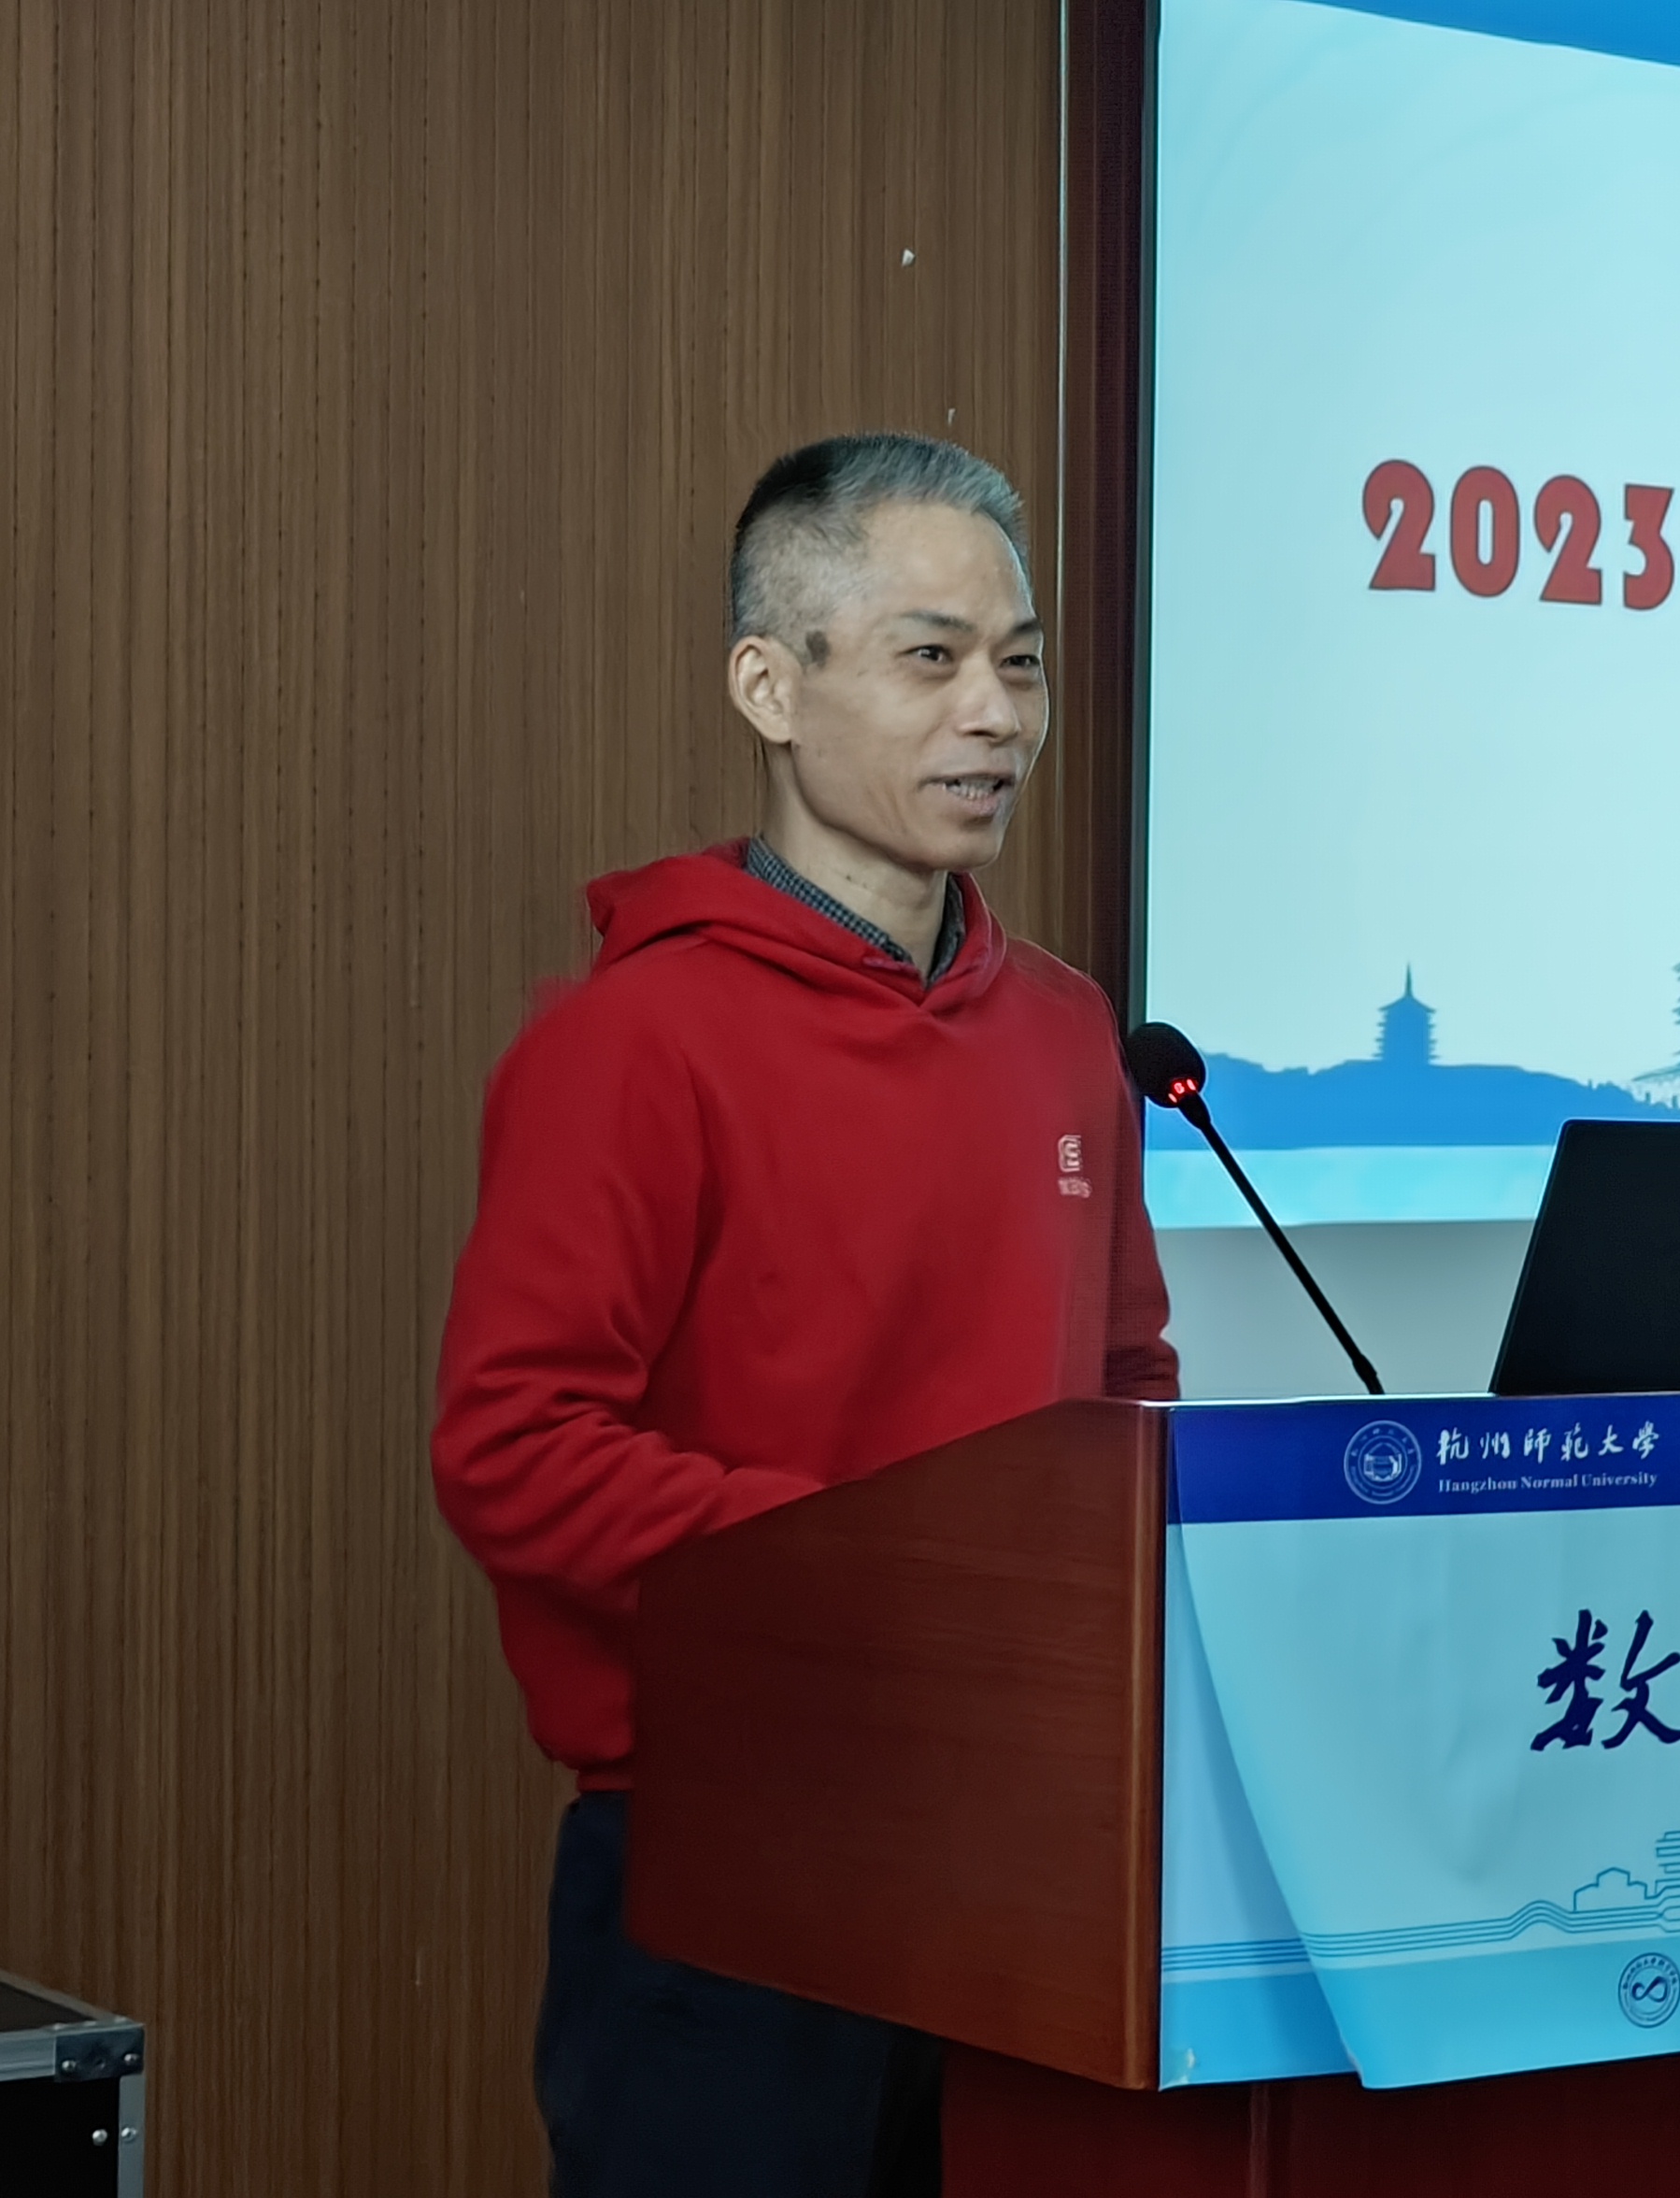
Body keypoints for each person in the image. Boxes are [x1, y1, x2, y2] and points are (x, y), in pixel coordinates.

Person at [432, 433, 1178, 2198]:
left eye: (1021, 664)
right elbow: (515, 1450)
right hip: (735, 1857)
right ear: (771, 686)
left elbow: (1128, 1378)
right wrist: (880, 1582)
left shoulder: (1069, 1031)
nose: (995, 714)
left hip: (1024, 1845)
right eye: (932, 658)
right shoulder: (632, 1042)